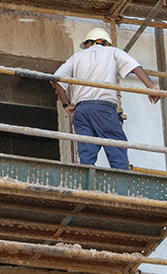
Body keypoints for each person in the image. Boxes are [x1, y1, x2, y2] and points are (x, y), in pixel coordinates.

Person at [53, 27, 159, 170]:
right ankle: (122, 184)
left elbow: (57, 80)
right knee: (116, 148)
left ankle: (86, 187)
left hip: (82, 110)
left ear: (88, 43)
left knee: (86, 154)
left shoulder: (77, 57)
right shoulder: (113, 52)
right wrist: (150, 86)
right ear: (106, 43)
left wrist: (67, 105)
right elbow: (134, 66)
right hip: (104, 108)